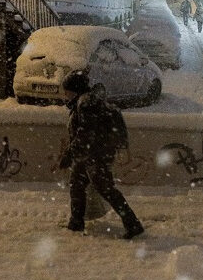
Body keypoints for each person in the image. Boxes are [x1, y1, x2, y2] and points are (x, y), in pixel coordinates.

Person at [57, 71, 145, 239]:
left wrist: (69, 154)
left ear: (75, 89)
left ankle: (133, 224)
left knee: (106, 189)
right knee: (77, 184)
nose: (65, 95)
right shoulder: (86, 101)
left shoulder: (86, 103)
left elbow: (85, 134)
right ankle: (76, 222)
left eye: (67, 90)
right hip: (90, 154)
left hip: (96, 155)